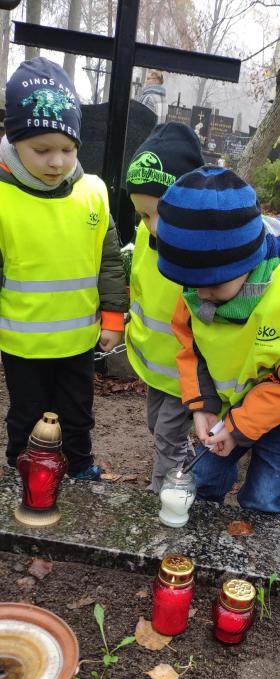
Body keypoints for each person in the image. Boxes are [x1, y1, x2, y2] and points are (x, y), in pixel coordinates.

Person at [156, 166, 280, 513]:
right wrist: (202, 405)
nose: (200, 295)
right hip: (228, 402)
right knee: (204, 479)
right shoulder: (200, 279)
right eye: (190, 284)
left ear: (248, 263)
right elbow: (192, 347)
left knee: (264, 496)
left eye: (213, 285)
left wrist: (239, 426)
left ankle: (255, 542)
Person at [0, 57, 127, 480]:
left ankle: (79, 468)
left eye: (68, 150)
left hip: (78, 340)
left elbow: (109, 261)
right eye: (42, 150)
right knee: (26, 415)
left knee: (77, 412)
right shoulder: (3, 198)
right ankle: (22, 473)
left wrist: (113, 317)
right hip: (23, 344)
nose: (57, 162)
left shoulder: (92, 193)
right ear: (13, 140)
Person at [125, 122, 204, 492]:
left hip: (188, 371)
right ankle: (189, 471)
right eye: (143, 215)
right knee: (156, 425)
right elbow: (141, 289)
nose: (153, 226)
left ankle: (164, 495)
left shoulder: (202, 246)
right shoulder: (146, 235)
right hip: (159, 366)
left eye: (161, 214)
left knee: (167, 436)